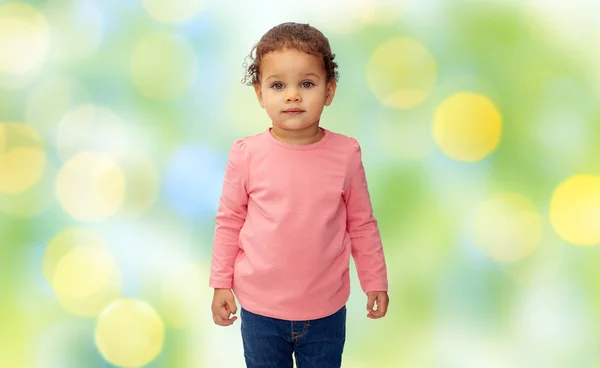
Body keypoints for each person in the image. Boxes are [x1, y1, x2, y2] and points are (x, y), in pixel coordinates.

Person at [209, 22, 389, 368]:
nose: (293, 95)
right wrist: (220, 283)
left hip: (326, 312)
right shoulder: (246, 154)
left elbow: (361, 224)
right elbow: (229, 222)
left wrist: (375, 281)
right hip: (260, 311)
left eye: (307, 84)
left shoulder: (346, 153)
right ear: (260, 94)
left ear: (329, 90)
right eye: (278, 85)